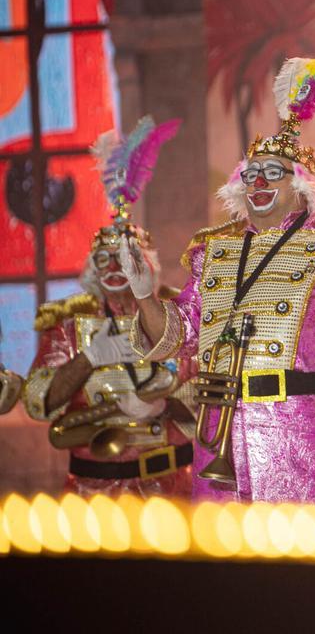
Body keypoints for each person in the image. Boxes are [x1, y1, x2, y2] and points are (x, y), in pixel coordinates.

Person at [125, 58, 315, 505]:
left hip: (308, 438)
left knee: (312, 567)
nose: (258, 180)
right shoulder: (214, 255)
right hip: (222, 440)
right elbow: (178, 334)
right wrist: (145, 295)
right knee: (228, 569)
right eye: (250, 173)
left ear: (301, 187)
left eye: (272, 173)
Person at [22, 117, 196, 497]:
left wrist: (161, 405)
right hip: (91, 491)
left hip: (170, 489)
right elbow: (38, 403)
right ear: (92, 270)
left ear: (146, 266)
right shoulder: (68, 325)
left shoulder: (178, 317)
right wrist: (89, 357)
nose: (115, 268)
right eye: (105, 260)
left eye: (125, 258)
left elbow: (208, 414)